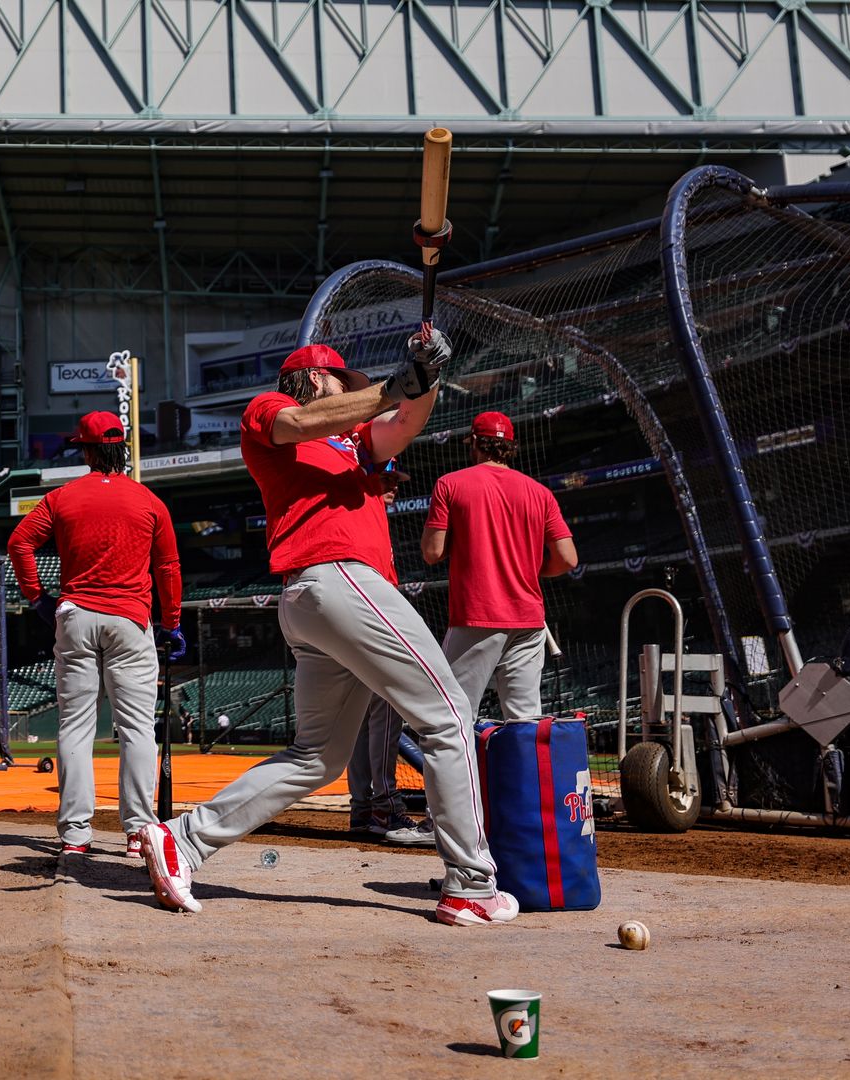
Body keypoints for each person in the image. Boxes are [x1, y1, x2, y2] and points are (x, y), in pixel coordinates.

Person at [138, 337, 519, 927]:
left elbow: (403, 422)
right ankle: (471, 883)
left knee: (317, 757)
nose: (356, 392)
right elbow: (301, 421)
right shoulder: (271, 408)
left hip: (321, 599)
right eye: (346, 382)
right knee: (447, 720)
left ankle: (183, 840)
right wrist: (391, 387)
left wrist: (430, 376)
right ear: (318, 380)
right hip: (336, 576)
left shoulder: (353, 442)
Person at [7, 411, 184, 857]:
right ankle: (139, 832)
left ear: (85, 451)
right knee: (137, 730)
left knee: (76, 728)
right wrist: (173, 622)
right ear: (122, 449)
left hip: (77, 616)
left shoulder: (62, 497)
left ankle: (75, 836)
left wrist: (36, 598)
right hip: (129, 618)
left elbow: (19, 543)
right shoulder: (150, 500)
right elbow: (167, 566)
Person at [420, 412, 577, 722]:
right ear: (511, 447)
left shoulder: (450, 484)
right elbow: (568, 558)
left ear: (476, 443)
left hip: (476, 616)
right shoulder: (539, 492)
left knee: (453, 716)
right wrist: (531, 570)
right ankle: (525, 773)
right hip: (528, 620)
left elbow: (431, 552)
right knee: (525, 720)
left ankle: (465, 773)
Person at [347, 461, 433, 847]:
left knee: (358, 720)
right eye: (387, 479)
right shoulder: (364, 515)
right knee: (386, 708)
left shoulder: (357, 512)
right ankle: (384, 806)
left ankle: (363, 809)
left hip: (341, 615)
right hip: (363, 616)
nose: (395, 487)